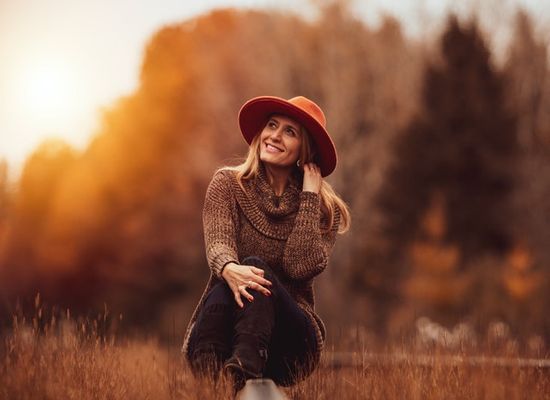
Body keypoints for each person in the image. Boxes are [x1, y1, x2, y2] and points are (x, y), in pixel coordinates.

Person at [182, 95, 351, 391]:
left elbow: (299, 267)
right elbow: (218, 243)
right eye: (272, 125)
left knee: (254, 269)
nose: (274, 135)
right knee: (234, 278)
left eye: (290, 131)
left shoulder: (325, 210)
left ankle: (245, 364)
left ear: (305, 150)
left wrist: (309, 198)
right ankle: (212, 374)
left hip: (290, 345)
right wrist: (228, 268)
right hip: (223, 329)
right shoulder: (227, 185)